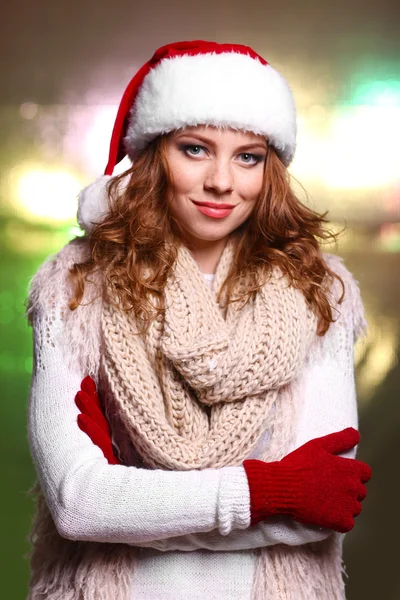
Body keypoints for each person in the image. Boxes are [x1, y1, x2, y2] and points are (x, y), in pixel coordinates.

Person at [26, 40, 372, 600]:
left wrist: (137, 507)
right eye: (195, 149)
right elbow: (78, 504)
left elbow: (320, 509)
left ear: (271, 169)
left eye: (248, 157)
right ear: (155, 154)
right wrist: (265, 493)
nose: (221, 181)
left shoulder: (320, 294)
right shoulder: (77, 286)